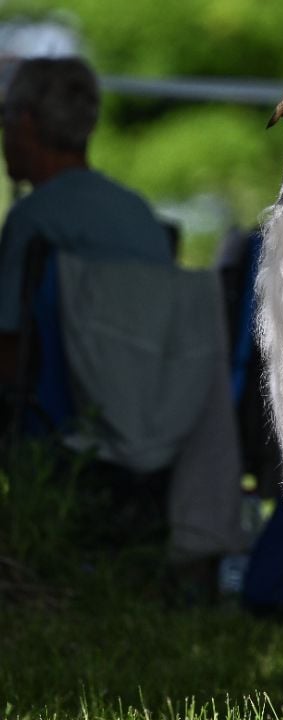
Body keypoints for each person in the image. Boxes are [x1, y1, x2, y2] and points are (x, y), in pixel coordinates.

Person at [0, 57, 247, 601]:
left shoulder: (32, 220)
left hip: (64, 415)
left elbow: (11, 353)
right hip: (161, 409)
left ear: (24, 124)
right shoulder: (139, 216)